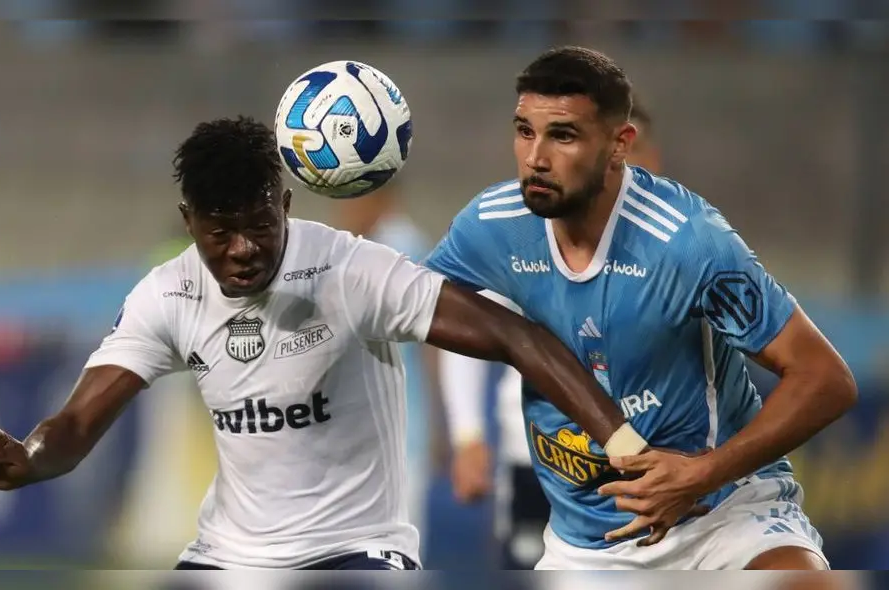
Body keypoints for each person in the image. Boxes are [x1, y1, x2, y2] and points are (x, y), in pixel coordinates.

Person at [0, 116, 648, 571]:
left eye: (258, 225)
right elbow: (78, 424)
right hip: (228, 556)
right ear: (191, 223)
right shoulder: (169, 294)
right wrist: (28, 459)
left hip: (355, 552)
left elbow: (515, 336)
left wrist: (626, 447)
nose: (243, 251)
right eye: (221, 234)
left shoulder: (350, 270)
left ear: (285, 204)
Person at [423, 46, 857, 570]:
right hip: (586, 548)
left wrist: (703, 473)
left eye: (563, 135)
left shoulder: (686, 242)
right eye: (523, 131)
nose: (536, 157)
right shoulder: (491, 226)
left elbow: (825, 378)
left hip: (722, 516)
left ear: (619, 145)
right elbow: (412, 306)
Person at [439, 100, 663, 570]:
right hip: (547, 461)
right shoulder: (526, 242)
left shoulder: (678, 249)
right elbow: (469, 328)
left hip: (650, 468)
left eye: (628, 153)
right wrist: (468, 435)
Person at [332, 183, 441, 560]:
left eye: (351, 200)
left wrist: (439, 421)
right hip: (371, 434)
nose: (343, 214)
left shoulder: (396, 249)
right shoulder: (378, 245)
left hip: (400, 433)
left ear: (379, 198)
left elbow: (431, 345)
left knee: (391, 551)